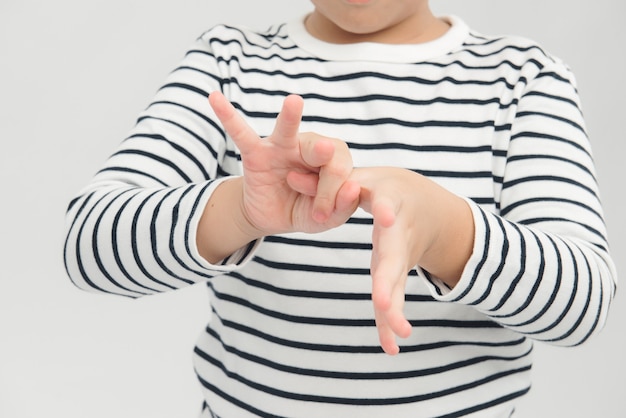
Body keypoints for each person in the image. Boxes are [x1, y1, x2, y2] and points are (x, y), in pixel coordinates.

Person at [63, 0, 618, 416]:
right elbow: (89, 246)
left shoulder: (522, 81)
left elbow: (583, 306)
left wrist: (446, 230)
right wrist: (240, 211)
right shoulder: (227, 63)